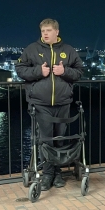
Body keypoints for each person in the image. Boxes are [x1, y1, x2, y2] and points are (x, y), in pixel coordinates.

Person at [15, 19, 83, 191]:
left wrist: (64, 71)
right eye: (42, 31)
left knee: (59, 138)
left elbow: (79, 72)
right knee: (45, 139)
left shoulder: (68, 50)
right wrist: (39, 71)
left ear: (57, 32)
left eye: (48, 30)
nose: (44, 33)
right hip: (40, 103)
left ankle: (57, 173)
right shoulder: (32, 49)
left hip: (63, 102)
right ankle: (47, 174)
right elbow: (20, 69)